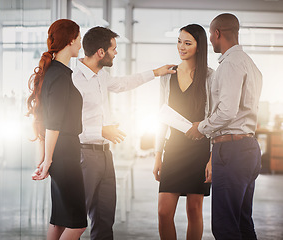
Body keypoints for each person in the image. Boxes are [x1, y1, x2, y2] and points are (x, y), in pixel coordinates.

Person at [72, 26, 175, 240]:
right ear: (101, 52)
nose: (116, 53)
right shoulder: (74, 80)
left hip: (104, 154)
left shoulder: (100, 76)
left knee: (105, 218)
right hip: (83, 155)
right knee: (76, 220)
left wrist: (155, 73)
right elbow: (69, 124)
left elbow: (122, 83)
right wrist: (101, 130)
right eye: (113, 49)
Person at [186, 13, 262, 239]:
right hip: (247, 149)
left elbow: (227, 111)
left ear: (217, 33)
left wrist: (200, 127)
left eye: (210, 34)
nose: (210, 39)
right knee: (242, 223)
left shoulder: (229, 64)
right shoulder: (249, 63)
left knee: (225, 226)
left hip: (231, 150)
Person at [153, 24, 214, 240]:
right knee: (163, 212)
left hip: (199, 151)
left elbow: (216, 120)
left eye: (187, 43)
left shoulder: (209, 76)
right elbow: (161, 117)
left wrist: (211, 158)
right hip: (174, 149)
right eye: (179, 41)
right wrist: (157, 154)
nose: (181, 47)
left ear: (199, 46)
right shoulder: (168, 75)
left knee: (194, 211)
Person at [27, 19, 87, 240]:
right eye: (79, 38)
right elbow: (53, 123)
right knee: (78, 224)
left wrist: (45, 157)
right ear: (71, 40)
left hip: (59, 152)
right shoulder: (61, 76)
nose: (80, 42)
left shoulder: (52, 72)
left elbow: (43, 120)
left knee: (60, 221)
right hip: (65, 153)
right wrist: (48, 159)